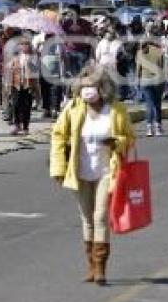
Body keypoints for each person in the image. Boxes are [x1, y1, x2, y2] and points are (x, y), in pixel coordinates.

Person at [49, 64, 136, 286]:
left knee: (100, 217)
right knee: (86, 219)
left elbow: (130, 137)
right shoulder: (73, 109)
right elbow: (58, 136)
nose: (88, 90)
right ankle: (90, 264)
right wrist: (58, 168)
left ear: (103, 88)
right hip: (79, 172)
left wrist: (118, 142)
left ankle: (100, 267)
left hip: (107, 171)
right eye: (84, 86)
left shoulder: (116, 110)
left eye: (93, 86)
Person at [5, 39, 40, 135]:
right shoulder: (16, 56)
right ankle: (16, 125)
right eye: (22, 44)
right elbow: (9, 68)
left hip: (28, 84)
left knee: (26, 106)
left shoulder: (34, 56)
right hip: (16, 83)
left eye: (26, 44)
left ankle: (25, 126)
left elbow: (36, 71)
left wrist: (29, 63)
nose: (24, 46)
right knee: (15, 104)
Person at [136, 36, 165, 137]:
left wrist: (138, 81)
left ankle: (149, 128)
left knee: (149, 105)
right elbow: (161, 67)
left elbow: (138, 69)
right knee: (157, 104)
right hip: (157, 80)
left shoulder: (140, 53)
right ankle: (158, 128)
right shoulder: (159, 52)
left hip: (145, 80)